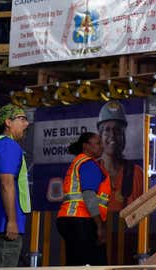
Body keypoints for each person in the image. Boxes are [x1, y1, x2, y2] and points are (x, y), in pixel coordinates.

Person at [57, 132, 110, 266]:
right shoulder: (88, 164)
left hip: (70, 218)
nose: (102, 147)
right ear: (86, 146)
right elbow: (89, 195)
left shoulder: (79, 162)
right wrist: (99, 225)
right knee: (92, 264)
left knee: (76, 263)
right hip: (81, 220)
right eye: (98, 143)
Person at [0, 104, 30, 268]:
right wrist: (12, 221)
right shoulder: (8, 145)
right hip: (3, 227)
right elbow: (6, 183)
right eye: (22, 119)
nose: (27, 124)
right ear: (8, 122)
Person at [96, 101, 143, 213]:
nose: (112, 135)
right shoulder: (89, 171)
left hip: (129, 230)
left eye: (117, 130)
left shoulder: (136, 173)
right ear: (100, 137)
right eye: (107, 130)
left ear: (123, 136)